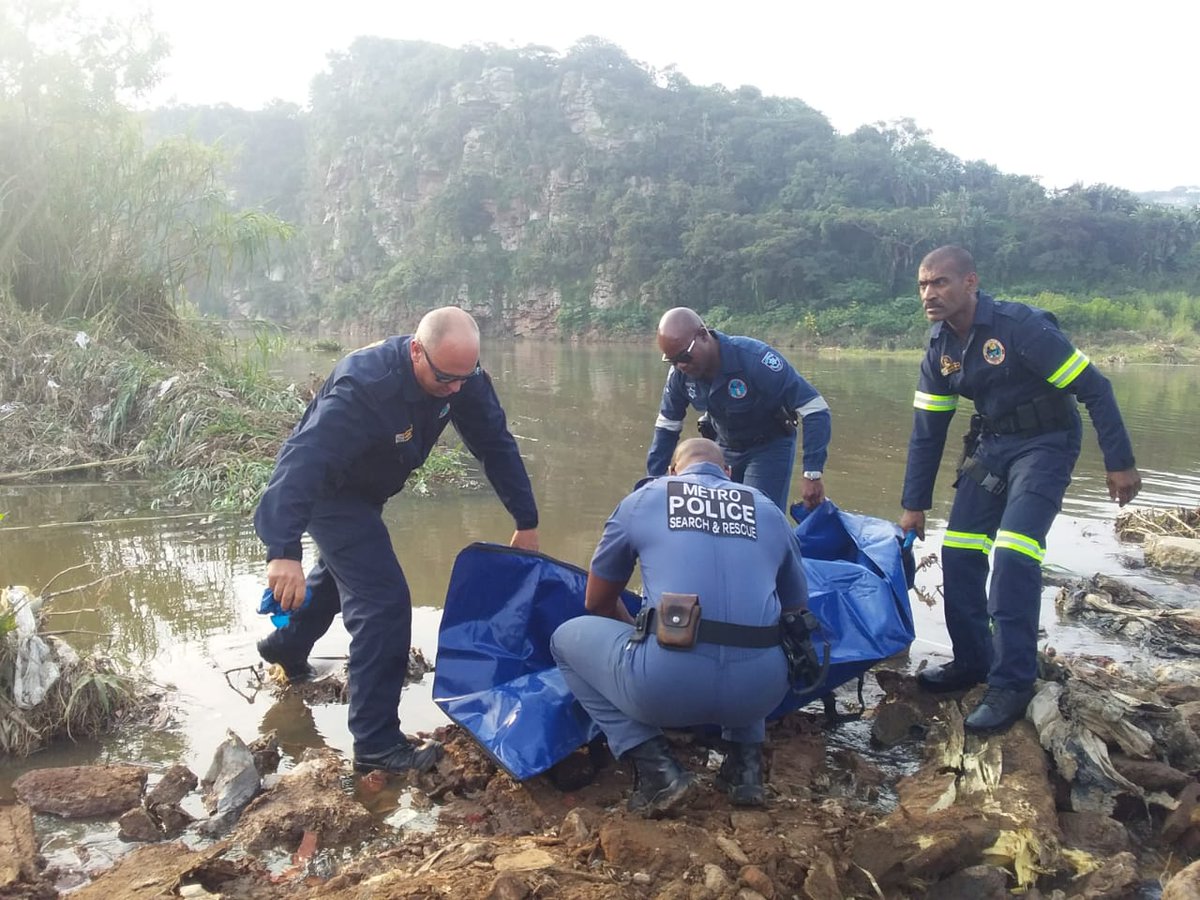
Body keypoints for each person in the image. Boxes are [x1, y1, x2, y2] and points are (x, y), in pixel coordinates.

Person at [253, 307, 539, 775]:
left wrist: (526, 519)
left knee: (339, 578)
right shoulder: (365, 386)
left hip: (369, 492)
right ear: (416, 352)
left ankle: (286, 645)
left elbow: (495, 443)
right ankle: (376, 744)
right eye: (445, 378)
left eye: (464, 379)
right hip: (332, 495)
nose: (455, 390)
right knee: (383, 602)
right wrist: (282, 550)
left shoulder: (461, 377)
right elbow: (303, 460)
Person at [899, 246, 1141, 733]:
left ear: (970, 282)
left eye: (940, 282)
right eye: (923, 285)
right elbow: (929, 430)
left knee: (1013, 553)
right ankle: (973, 661)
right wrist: (914, 504)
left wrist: (1120, 464)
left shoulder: (1021, 328)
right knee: (961, 550)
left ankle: (1012, 682)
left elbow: (1096, 388)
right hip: (992, 446)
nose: (929, 293)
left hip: (1046, 443)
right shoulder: (939, 349)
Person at [551, 438, 809, 816]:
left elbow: (597, 602)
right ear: (728, 474)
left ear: (671, 472)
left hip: (663, 688)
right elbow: (796, 611)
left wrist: (639, 639)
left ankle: (656, 769)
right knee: (757, 625)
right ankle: (745, 767)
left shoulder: (645, 499)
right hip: (761, 694)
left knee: (564, 640)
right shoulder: (767, 509)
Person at [647, 308, 832, 514]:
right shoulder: (680, 375)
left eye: (684, 356)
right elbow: (667, 426)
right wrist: (653, 483)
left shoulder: (755, 360)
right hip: (723, 447)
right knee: (717, 517)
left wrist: (812, 473)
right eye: (672, 361)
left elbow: (815, 409)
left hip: (767, 447)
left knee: (758, 518)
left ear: (703, 335)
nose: (680, 365)